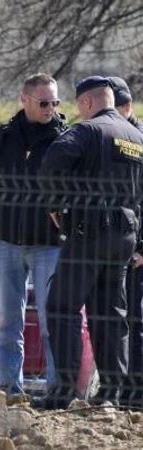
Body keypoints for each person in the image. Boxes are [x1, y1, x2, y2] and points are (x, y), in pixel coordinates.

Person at [36, 76, 143, 408]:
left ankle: (64, 391)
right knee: (111, 312)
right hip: (125, 235)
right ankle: (113, 392)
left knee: (63, 307)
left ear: (86, 103)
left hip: (89, 231)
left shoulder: (87, 131)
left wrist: (56, 205)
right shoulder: (136, 137)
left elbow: (51, 164)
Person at [0, 73, 69, 401]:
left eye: (55, 102)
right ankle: (10, 389)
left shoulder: (65, 137)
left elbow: (79, 185)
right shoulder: (5, 135)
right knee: (8, 323)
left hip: (48, 246)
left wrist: (64, 221)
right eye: (44, 102)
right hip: (8, 243)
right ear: (24, 100)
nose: (50, 108)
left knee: (51, 320)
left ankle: (57, 391)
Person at [112, 76, 143, 406]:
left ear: (127, 107)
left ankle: (136, 394)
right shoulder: (110, 139)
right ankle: (120, 392)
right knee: (116, 322)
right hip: (116, 248)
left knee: (136, 322)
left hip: (136, 252)